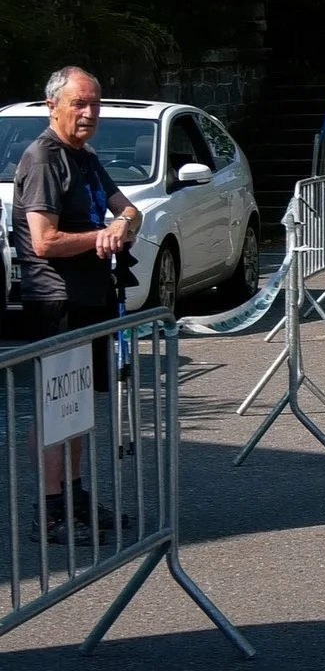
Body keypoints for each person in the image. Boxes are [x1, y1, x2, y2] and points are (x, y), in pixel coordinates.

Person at [13, 66, 142, 545]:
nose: (89, 113)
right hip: (57, 301)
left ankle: (74, 497)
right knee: (57, 407)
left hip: (91, 297)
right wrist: (101, 236)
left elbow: (130, 209)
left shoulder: (83, 156)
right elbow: (44, 241)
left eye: (94, 104)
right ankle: (50, 511)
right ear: (53, 106)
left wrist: (120, 226)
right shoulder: (44, 158)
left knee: (78, 405)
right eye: (79, 104)